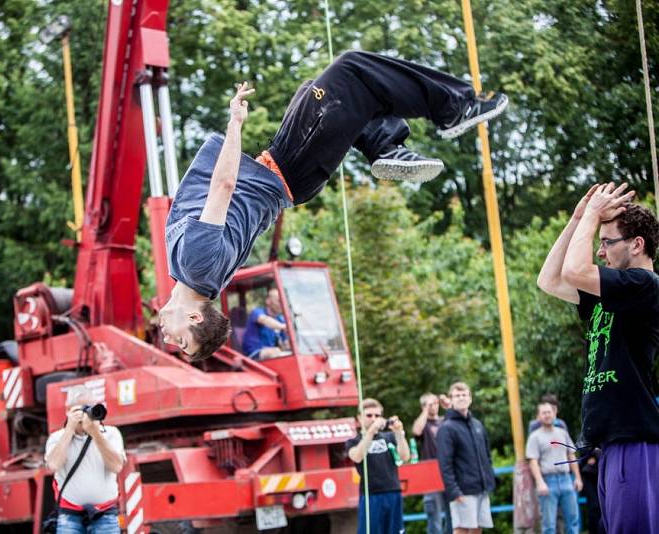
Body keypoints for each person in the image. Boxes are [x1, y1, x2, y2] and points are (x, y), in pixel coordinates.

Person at [158, 50, 509, 361]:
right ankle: (455, 107)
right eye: (183, 344)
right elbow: (223, 187)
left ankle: (382, 143)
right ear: (195, 318)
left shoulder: (198, 277)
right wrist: (235, 122)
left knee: (318, 91)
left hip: (290, 171)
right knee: (350, 71)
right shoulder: (197, 268)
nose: (171, 341)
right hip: (290, 164)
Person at [537, 183, 659, 534]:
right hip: (612, 446)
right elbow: (549, 280)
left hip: (634, 442)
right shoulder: (613, 292)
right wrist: (578, 218)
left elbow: (576, 271)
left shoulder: (644, 285)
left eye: (606, 242)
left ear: (637, 245)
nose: (600, 252)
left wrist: (592, 215)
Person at [45, 385, 125, 533]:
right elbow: (53, 465)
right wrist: (69, 430)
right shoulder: (57, 438)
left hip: (105, 514)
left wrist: (96, 433)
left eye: (89, 408)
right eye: (80, 409)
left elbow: (117, 467)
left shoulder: (110, 434)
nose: (86, 414)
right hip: (70, 516)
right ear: (68, 411)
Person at [436, 382, 496, 534]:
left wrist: (489, 481)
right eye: (457, 395)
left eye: (464, 395)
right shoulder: (447, 428)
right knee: (461, 529)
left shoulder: (477, 425)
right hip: (462, 490)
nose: (461, 398)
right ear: (451, 400)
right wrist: (454, 491)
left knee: (477, 528)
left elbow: (487, 456)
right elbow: (445, 464)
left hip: (481, 488)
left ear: (470, 399)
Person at [345, 398, 411, 534]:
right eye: (369, 415)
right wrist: (371, 432)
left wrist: (399, 433)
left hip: (392, 491)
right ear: (359, 418)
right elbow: (357, 456)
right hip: (371, 495)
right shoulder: (353, 441)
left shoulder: (388, 437)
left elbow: (405, 457)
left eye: (377, 415)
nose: (373, 419)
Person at [525, 401, 582, 534]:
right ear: (538, 416)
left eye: (549, 412)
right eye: (543, 413)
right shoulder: (534, 437)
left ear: (554, 413)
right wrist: (540, 483)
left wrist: (578, 478)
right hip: (547, 481)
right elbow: (533, 462)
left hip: (566, 479)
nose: (547, 415)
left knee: (573, 521)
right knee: (549, 524)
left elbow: (571, 455)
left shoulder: (562, 433)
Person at [412, 392, 452, 534]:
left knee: (453, 515)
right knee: (434, 516)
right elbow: (416, 430)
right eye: (430, 404)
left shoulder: (445, 421)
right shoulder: (424, 424)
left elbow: (460, 420)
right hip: (430, 475)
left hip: (448, 472)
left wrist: (447, 405)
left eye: (435, 403)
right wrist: (425, 410)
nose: (434, 406)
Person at [241, 287, 287, 359]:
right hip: (253, 354)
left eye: (283, 301)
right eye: (279, 301)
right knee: (276, 352)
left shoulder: (280, 319)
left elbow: (285, 343)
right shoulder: (257, 312)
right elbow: (264, 319)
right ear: (268, 301)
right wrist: (283, 327)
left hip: (269, 353)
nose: (282, 304)